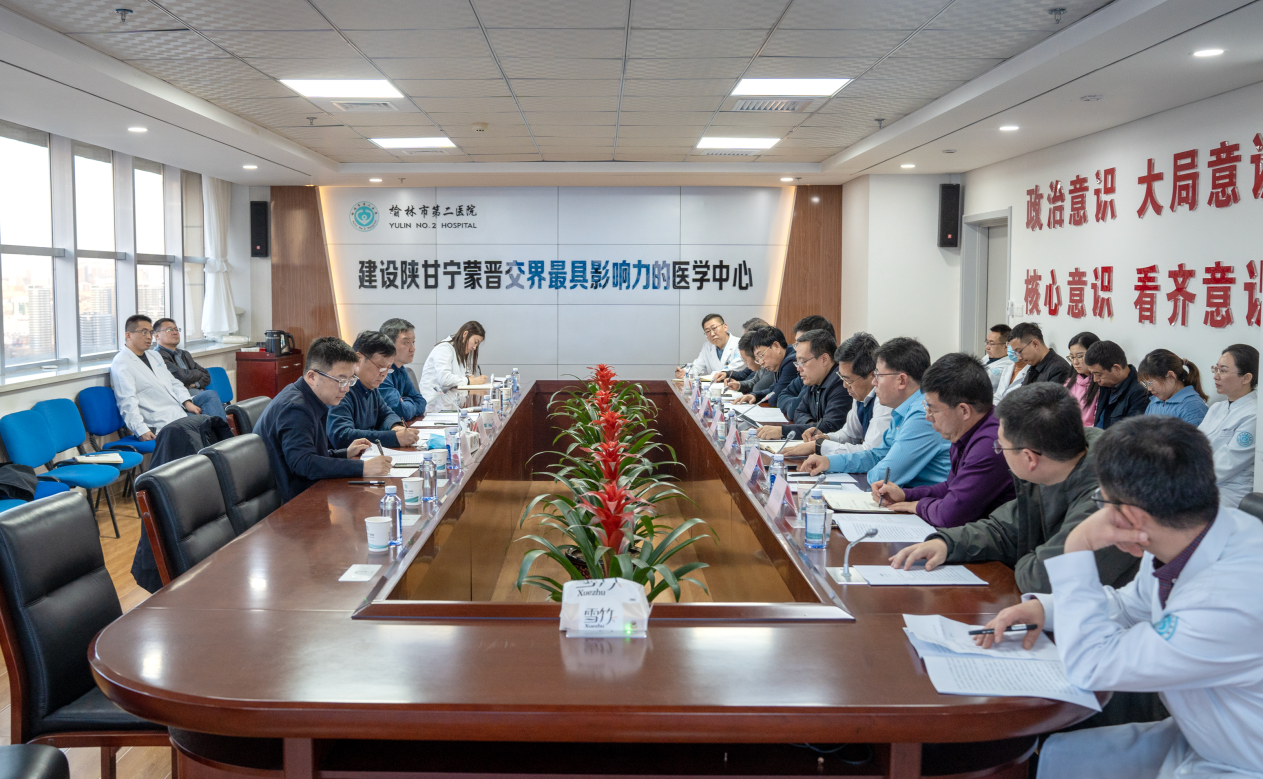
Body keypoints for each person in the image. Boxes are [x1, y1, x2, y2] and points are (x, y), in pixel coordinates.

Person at [980, 416, 1263, 779]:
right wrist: (1044, 608)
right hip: (1208, 733)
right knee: (1058, 757)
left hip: (1242, 759)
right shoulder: (1189, 534)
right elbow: (1130, 606)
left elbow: (1093, 665)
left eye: (1102, 501)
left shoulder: (1229, 601)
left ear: (1129, 516)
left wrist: (1078, 546)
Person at [890, 383, 1139, 593]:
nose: (999, 452)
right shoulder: (1053, 468)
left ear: (1030, 458)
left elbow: (1044, 579)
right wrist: (946, 544)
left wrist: (1025, 556)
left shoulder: (1110, 496)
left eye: (1001, 447)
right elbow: (1003, 529)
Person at [872, 353, 1016, 529]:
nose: (928, 417)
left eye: (933, 410)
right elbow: (950, 487)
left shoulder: (990, 444)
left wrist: (917, 505)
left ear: (964, 411)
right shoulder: (966, 430)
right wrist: (906, 495)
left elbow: (950, 515)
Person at [252, 336, 392, 503]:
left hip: (305, 493)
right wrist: (363, 467)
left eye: (350, 380)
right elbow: (304, 464)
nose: (346, 388)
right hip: (291, 504)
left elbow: (310, 454)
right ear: (312, 377)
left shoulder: (309, 398)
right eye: (341, 380)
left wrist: (344, 453)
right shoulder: (296, 409)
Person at [800, 337, 950, 488]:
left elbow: (883, 475)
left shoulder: (923, 415)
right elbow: (876, 456)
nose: (873, 382)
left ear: (902, 381)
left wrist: (871, 467)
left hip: (927, 500)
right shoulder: (901, 411)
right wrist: (829, 462)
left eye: (878, 375)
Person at [110, 314, 227, 441]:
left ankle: (222, 444)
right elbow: (126, 401)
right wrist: (140, 430)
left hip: (176, 411)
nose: (149, 337)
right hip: (159, 421)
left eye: (150, 332)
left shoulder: (153, 356)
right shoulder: (122, 363)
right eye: (144, 332)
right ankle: (223, 445)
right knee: (207, 424)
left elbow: (173, 382)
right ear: (128, 335)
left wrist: (186, 402)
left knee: (209, 406)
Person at [785, 332, 893, 458]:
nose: (844, 385)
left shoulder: (885, 400)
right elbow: (850, 434)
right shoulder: (860, 394)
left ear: (872, 375)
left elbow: (870, 452)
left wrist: (820, 446)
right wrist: (825, 438)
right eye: (842, 378)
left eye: (848, 380)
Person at [327, 331, 421, 450]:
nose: (384, 374)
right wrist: (393, 437)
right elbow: (342, 436)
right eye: (380, 367)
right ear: (358, 359)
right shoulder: (342, 387)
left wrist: (396, 427)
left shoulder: (370, 386)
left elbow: (386, 414)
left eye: (388, 368)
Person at [756, 329, 850, 440]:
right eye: (797, 362)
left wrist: (783, 431)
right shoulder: (815, 380)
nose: (798, 368)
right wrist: (810, 426)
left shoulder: (842, 383)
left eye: (803, 362)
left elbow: (830, 428)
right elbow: (799, 411)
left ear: (824, 359)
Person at [1199, 343, 1258, 509]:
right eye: (1215, 369)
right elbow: (1194, 445)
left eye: (1223, 370)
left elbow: (1226, 464)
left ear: (1246, 378)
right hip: (1202, 482)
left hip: (1229, 492)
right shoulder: (1217, 408)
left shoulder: (1254, 415)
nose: (1215, 376)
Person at [776, 315, 836, 419]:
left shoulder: (836, 379)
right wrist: (808, 421)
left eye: (800, 343)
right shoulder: (809, 372)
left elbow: (794, 409)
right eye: (796, 344)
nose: (796, 349)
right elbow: (782, 397)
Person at [420, 321, 487, 411]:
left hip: (448, 401)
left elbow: (466, 375)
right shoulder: (444, 348)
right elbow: (444, 379)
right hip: (434, 406)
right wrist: (469, 380)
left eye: (477, 345)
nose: (475, 347)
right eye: (475, 342)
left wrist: (470, 378)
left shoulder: (459, 351)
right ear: (465, 334)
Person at [1086, 340, 1149, 429]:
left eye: (1098, 374)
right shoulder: (1107, 385)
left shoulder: (1140, 393)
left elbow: (1132, 433)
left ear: (1116, 368)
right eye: (1093, 374)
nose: (1095, 379)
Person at [1138, 348, 1208, 426]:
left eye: (1150, 383)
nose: (1149, 389)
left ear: (1171, 376)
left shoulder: (1193, 407)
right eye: (1146, 384)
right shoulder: (1155, 403)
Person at [377, 318, 427, 420]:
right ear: (389, 344)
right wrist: (409, 401)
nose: (413, 348)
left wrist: (406, 401)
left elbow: (421, 402)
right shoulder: (380, 372)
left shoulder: (401, 369)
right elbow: (400, 411)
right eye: (407, 342)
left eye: (413, 342)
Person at [735, 327, 796, 405]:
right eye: (758, 359)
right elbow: (772, 389)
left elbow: (774, 399)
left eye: (761, 355)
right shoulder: (779, 361)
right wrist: (754, 395)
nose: (761, 363)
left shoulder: (791, 362)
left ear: (776, 346)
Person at [152, 317, 212, 393]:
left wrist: (193, 385)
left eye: (176, 329)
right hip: (177, 395)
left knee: (209, 394)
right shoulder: (157, 355)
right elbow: (182, 377)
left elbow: (206, 375)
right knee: (210, 395)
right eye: (169, 330)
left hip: (195, 391)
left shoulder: (184, 354)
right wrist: (198, 373)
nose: (175, 332)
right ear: (157, 336)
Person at [675, 313, 743, 379]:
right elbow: (697, 367)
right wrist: (684, 372)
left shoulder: (740, 344)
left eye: (714, 328)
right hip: (713, 385)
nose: (712, 334)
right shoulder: (707, 347)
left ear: (725, 327)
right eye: (707, 331)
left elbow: (735, 369)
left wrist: (714, 375)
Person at [1008, 322, 1072, 386]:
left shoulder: (1059, 370)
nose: (1019, 358)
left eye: (1019, 351)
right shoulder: (1033, 366)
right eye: (1016, 353)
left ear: (1035, 344)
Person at [715, 317, 771, 384]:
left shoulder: (766, 365)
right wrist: (726, 374)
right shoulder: (756, 361)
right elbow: (744, 374)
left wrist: (738, 385)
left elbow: (751, 384)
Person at [1064, 331, 1101, 426]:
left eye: (1080, 356)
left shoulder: (1101, 384)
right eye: (1072, 357)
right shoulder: (1069, 383)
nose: (1075, 362)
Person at [726, 330, 773, 396]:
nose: (746, 364)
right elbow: (754, 381)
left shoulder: (770, 366)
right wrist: (739, 385)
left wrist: (753, 395)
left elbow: (758, 388)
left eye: (746, 360)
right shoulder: (761, 367)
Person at [983, 324, 1013, 391]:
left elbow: (978, 380)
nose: (987, 347)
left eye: (991, 344)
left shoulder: (1008, 365)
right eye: (987, 342)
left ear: (1006, 346)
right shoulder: (989, 356)